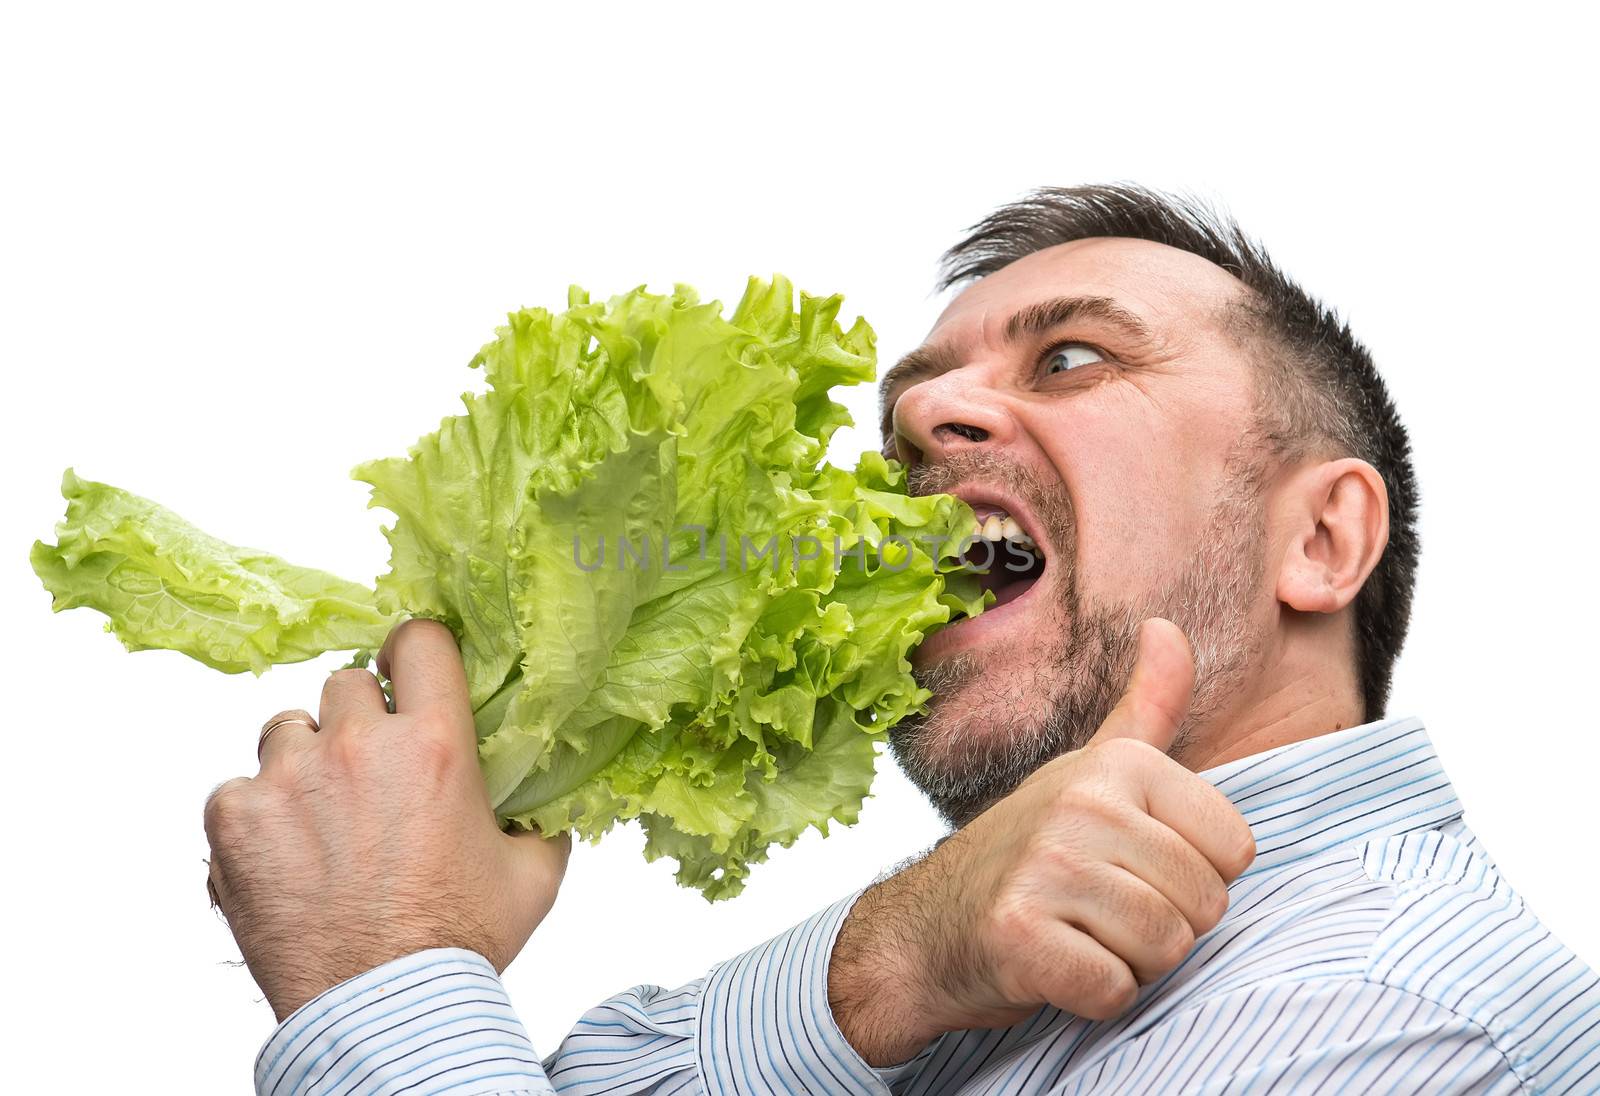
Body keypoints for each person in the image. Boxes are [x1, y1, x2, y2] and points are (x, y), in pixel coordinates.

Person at [205, 185, 1600, 1094]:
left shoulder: (1380, 1014)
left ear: (1322, 542)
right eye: (907, 410)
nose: (926, 426)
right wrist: (880, 968)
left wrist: (381, 969)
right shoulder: (961, 962)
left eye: (1071, 359)